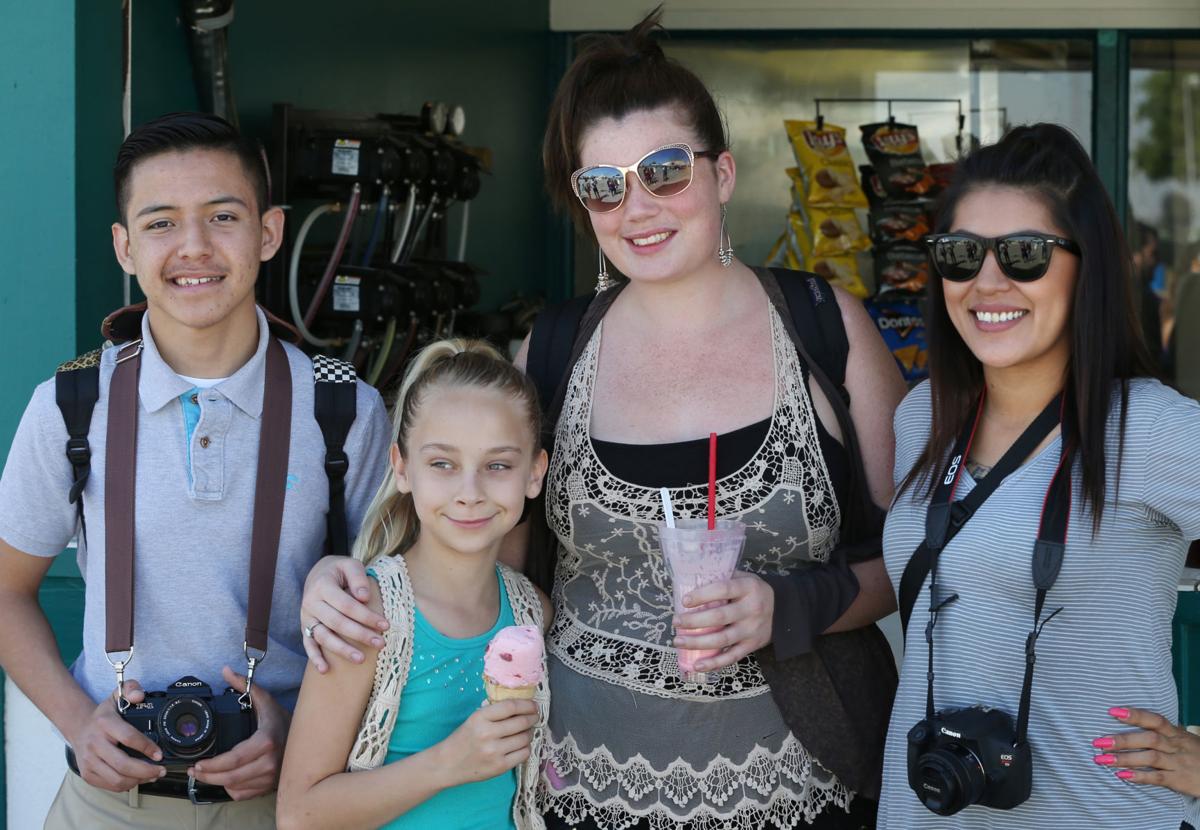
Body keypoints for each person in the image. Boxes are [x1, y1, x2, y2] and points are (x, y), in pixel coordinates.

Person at [300, 10, 906, 829]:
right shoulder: (552, 350)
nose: (637, 206)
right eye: (603, 185)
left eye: (664, 171)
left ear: (722, 173)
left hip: (804, 788)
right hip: (580, 785)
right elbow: (479, 552)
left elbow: (914, 558)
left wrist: (788, 606)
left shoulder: (825, 327)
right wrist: (346, 580)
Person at [0, 112, 390, 828]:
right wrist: (77, 722)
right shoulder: (69, 406)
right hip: (109, 807)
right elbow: (5, 592)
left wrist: (301, 729)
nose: (194, 248)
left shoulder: (346, 410)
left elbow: (395, 616)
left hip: (288, 801)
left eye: (222, 216)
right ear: (123, 247)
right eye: (160, 223)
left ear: (268, 232)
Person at [877, 123, 1200, 829]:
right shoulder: (922, 418)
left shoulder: (1148, 428)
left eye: (1025, 254)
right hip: (925, 811)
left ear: (1087, 268)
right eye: (960, 255)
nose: (986, 283)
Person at [276, 339, 551, 830]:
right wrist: (450, 762)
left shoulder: (533, 612)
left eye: (499, 465)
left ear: (534, 473)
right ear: (402, 468)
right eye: (442, 464)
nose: (470, 493)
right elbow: (300, 814)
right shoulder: (365, 617)